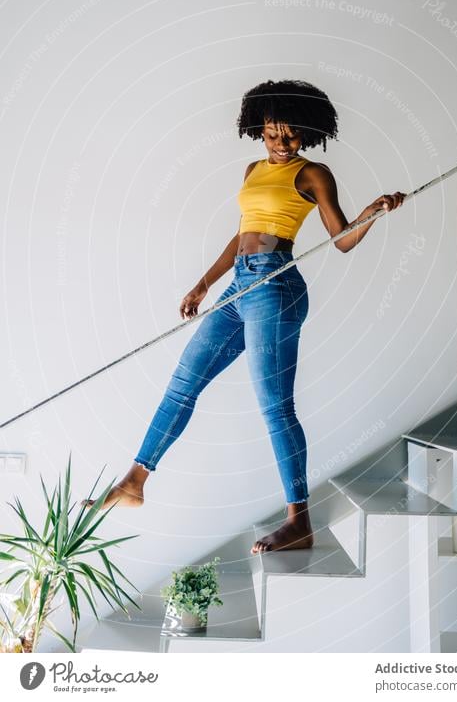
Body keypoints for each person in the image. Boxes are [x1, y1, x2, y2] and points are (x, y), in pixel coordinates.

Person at [81, 79, 405, 553]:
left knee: (276, 408)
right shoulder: (253, 168)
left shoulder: (314, 174)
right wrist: (204, 283)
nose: (280, 144)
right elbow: (242, 236)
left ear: (306, 135)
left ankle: (300, 520)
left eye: (290, 136)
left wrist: (373, 211)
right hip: (238, 284)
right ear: (259, 129)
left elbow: (341, 238)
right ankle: (133, 482)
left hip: (276, 288)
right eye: (273, 134)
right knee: (183, 383)